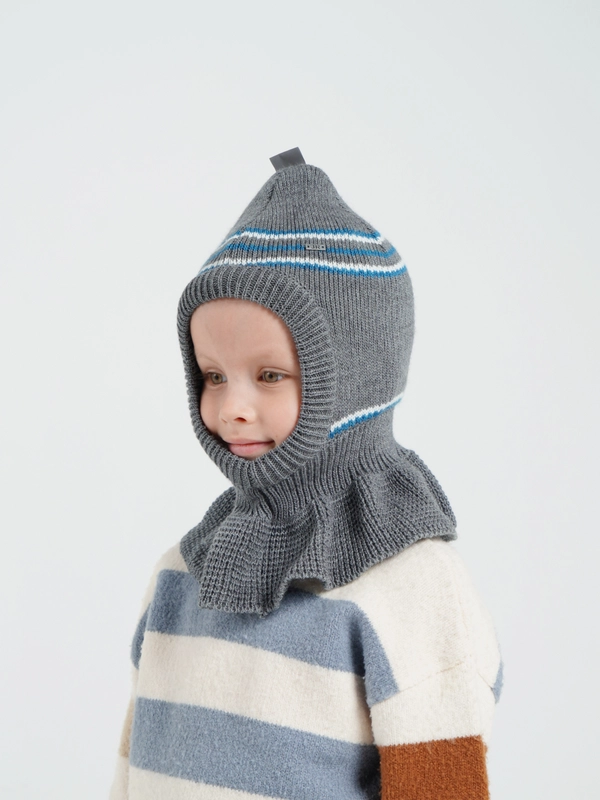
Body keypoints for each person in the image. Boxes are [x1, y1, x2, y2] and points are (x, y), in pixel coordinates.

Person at [109, 147, 503, 800]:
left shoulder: (412, 587)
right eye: (212, 376)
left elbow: (442, 783)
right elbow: (135, 763)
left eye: (269, 375)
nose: (231, 408)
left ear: (356, 377)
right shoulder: (181, 572)